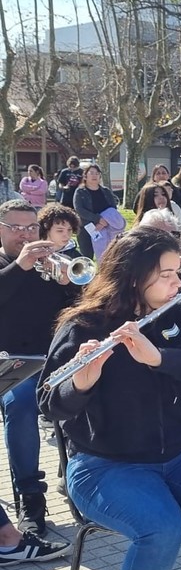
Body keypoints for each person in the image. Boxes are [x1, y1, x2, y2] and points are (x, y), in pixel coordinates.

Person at [38, 227, 181, 570]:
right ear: (133, 278)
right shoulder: (85, 325)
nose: (177, 282)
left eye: (178, 272)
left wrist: (160, 358)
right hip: (105, 464)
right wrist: (80, 384)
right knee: (162, 529)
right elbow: (49, 403)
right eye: (167, 275)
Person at [0, 200, 82, 537]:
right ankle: (30, 496)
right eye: (16, 228)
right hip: (10, 364)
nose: (25, 235)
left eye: (31, 228)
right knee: (20, 405)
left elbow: (82, 309)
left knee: (96, 386)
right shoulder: (12, 264)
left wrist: (69, 283)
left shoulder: (51, 265)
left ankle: (85, 480)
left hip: (53, 361)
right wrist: (21, 264)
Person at [72, 162, 121, 259]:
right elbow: (79, 209)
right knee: (87, 257)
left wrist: (104, 222)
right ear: (85, 176)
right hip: (87, 228)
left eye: (97, 173)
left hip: (106, 228)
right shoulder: (80, 192)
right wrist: (97, 219)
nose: (94, 176)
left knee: (107, 256)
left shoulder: (106, 191)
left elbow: (113, 209)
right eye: (91, 173)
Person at [134, 182, 181, 247]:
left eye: (163, 194)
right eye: (155, 195)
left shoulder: (175, 224)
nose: (161, 197)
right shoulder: (139, 230)